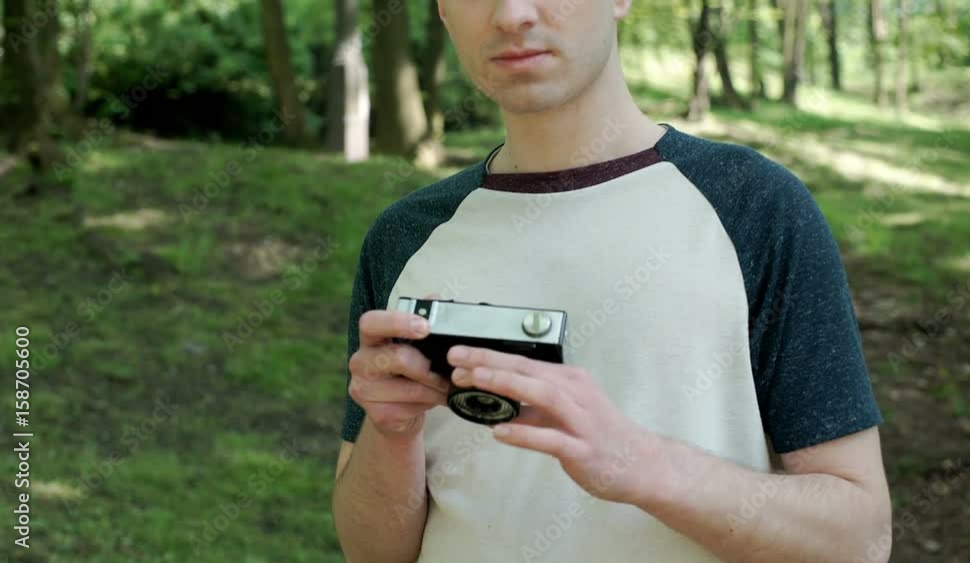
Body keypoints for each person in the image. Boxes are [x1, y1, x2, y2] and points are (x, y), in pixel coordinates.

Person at [332, 1, 892, 562]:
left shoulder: (754, 206)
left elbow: (860, 540)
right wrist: (392, 433)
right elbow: (371, 554)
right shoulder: (405, 236)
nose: (512, 14)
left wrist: (642, 464)